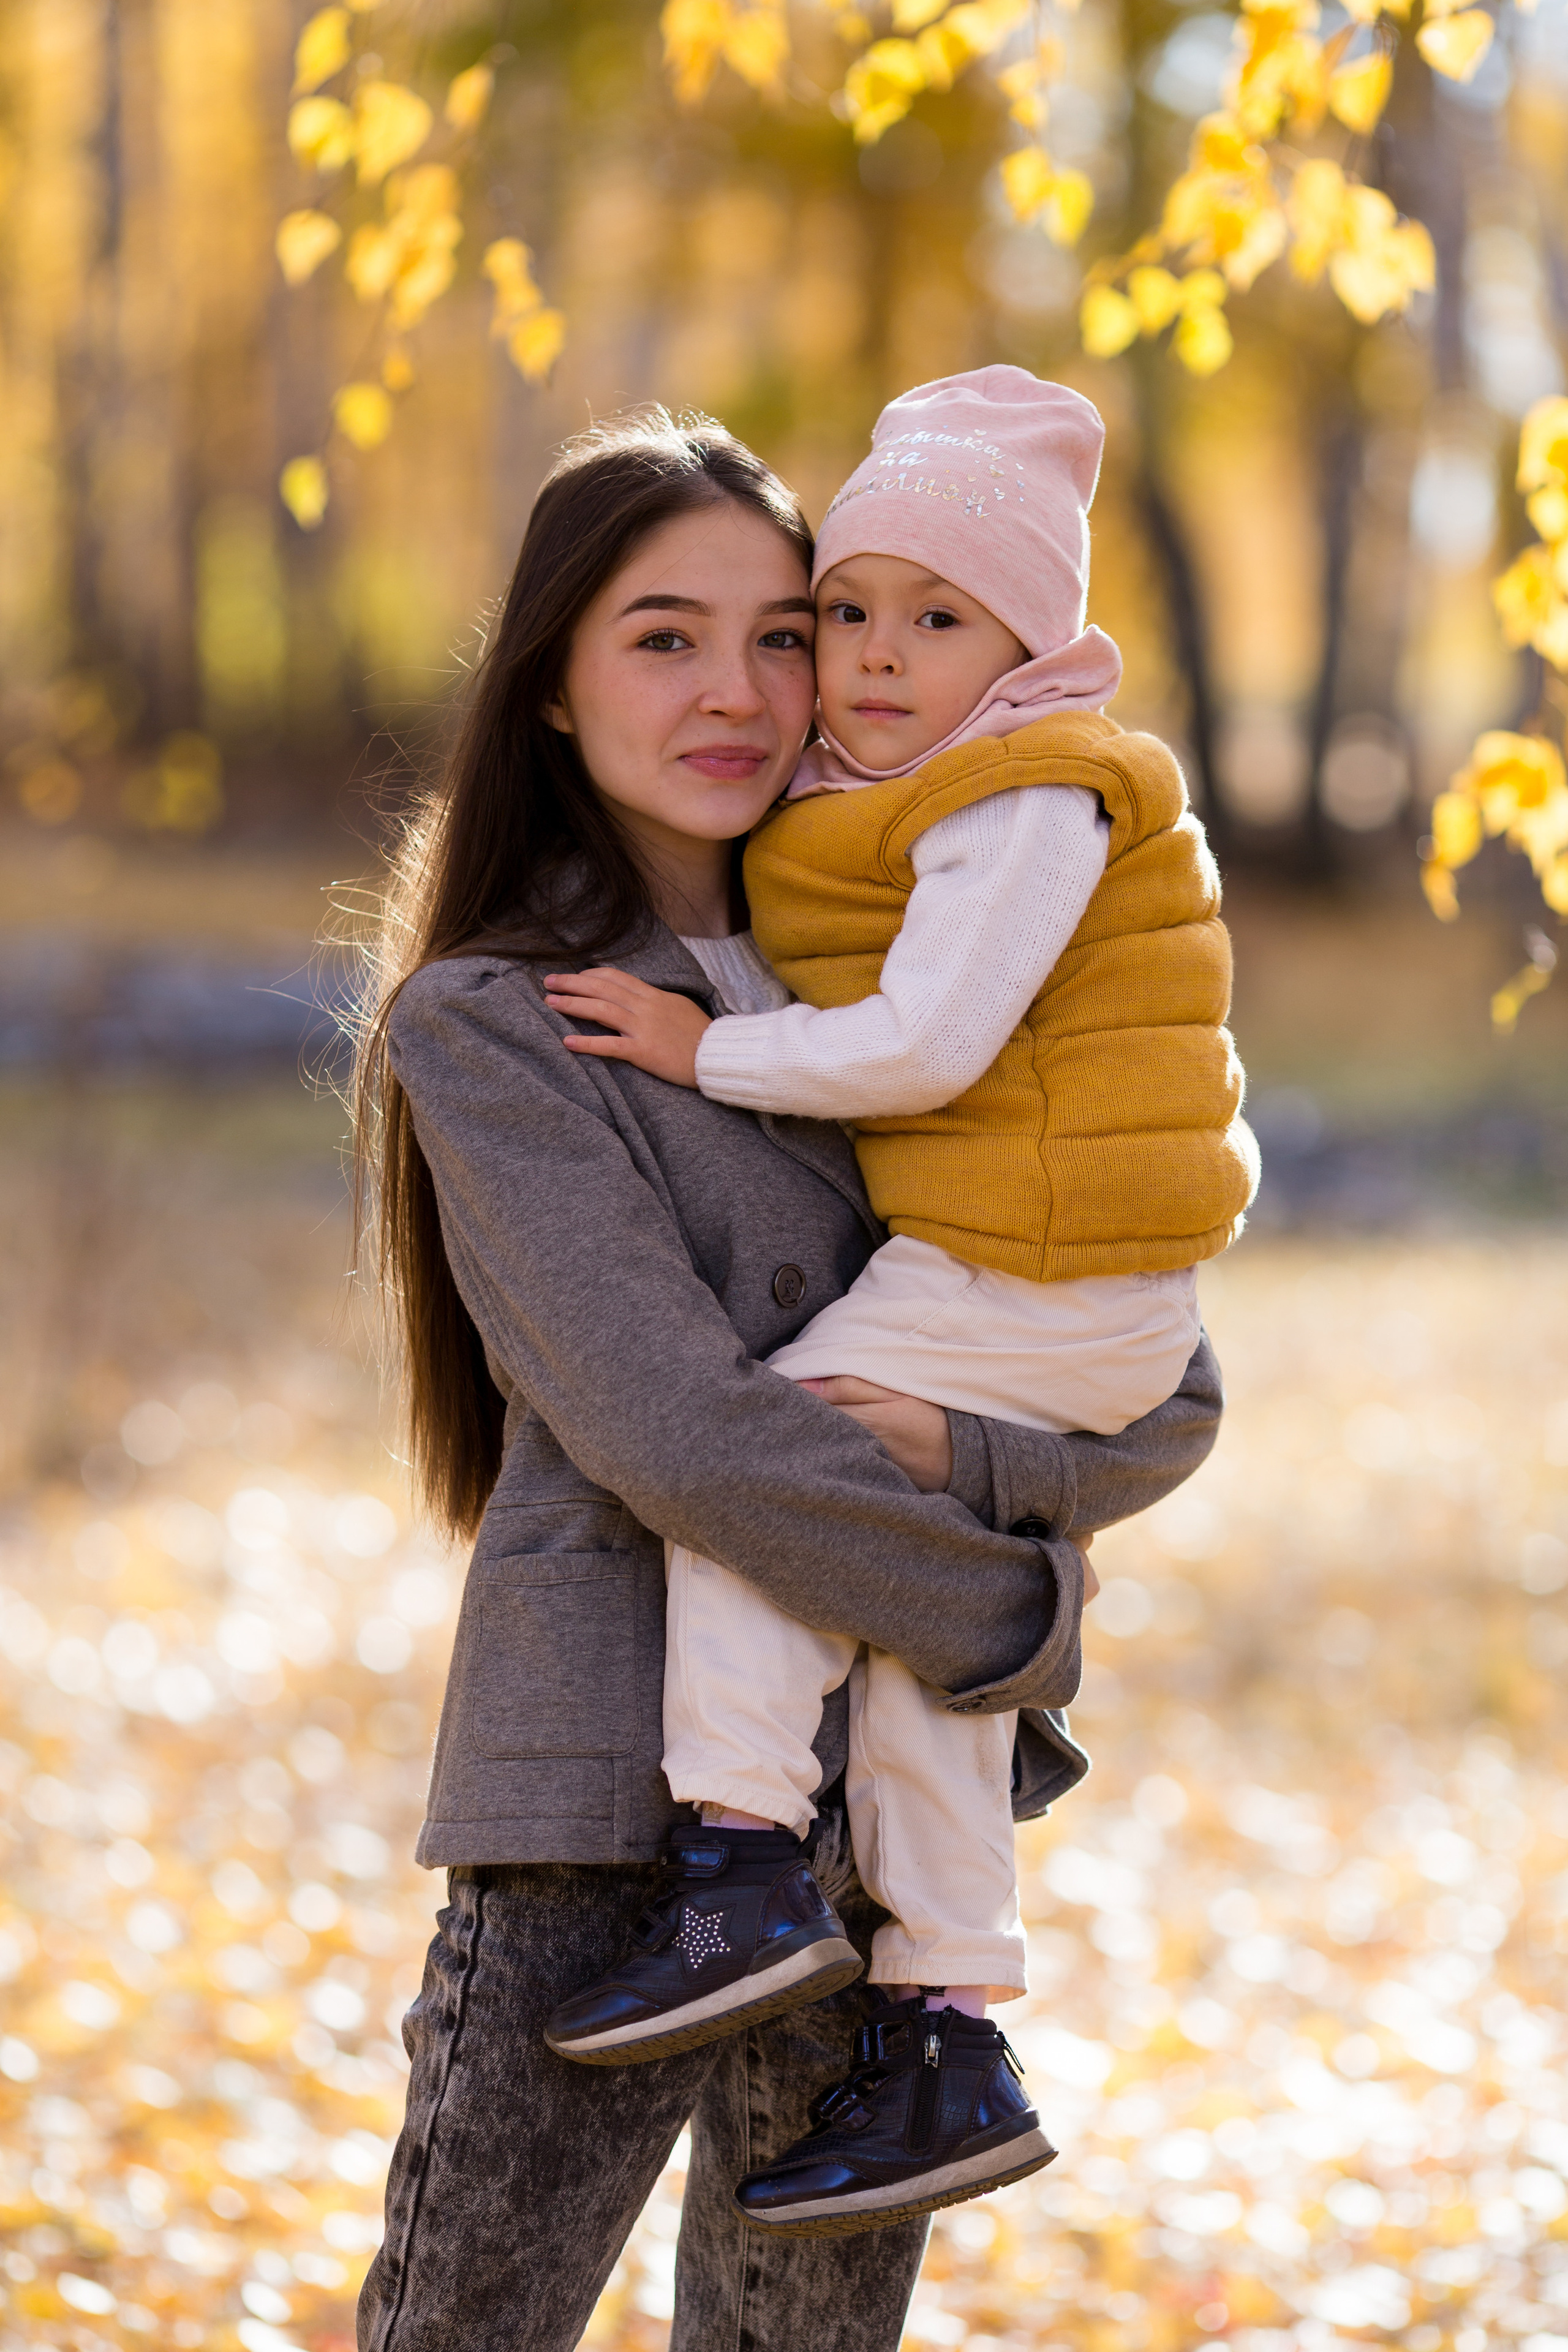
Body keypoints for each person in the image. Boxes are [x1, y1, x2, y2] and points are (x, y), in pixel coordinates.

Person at [351, 403, 1226, 2352]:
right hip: (605, 1809)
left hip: (878, 1840)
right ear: (554, 685)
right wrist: (1003, 1592)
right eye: (664, 638)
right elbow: (680, 1435)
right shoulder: (498, 1020)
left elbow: (1167, 1386)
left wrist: (974, 1443)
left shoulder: (923, 980)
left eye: (786, 630)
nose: (743, 691)